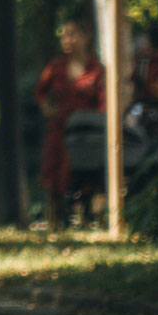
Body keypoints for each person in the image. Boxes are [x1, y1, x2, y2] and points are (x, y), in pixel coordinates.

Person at [35, 18, 105, 226]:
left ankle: (88, 215)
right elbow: (40, 91)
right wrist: (48, 108)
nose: (68, 40)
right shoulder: (55, 66)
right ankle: (56, 219)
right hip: (60, 128)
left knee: (86, 171)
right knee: (54, 171)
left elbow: (103, 101)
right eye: (64, 35)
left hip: (86, 132)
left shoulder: (96, 68)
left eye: (73, 34)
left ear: (86, 37)